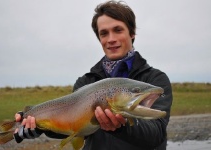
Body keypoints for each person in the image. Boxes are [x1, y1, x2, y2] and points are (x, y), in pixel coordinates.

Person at [14, 1, 172, 150]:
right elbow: (72, 125)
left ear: (132, 33)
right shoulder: (85, 82)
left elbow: (156, 134)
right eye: (104, 33)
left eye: (118, 30)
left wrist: (121, 127)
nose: (111, 39)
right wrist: (38, 127)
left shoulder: (156, 80)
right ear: (100, 39)